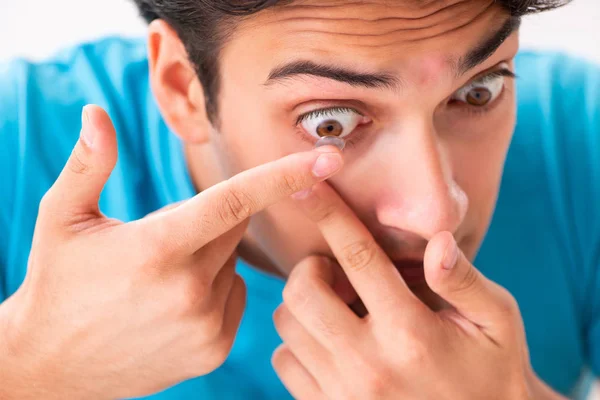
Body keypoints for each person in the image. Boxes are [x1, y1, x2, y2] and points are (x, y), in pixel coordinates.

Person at [0, 0, 598, 398]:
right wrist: (27, 365)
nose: (437, 213)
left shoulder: (581, 133)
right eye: (331, 122)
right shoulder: (17, 142)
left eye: (480, 90)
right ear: (183, 89)